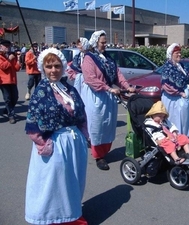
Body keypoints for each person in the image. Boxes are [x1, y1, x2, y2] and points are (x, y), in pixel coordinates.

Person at [24, 47, 89, 225]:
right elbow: (33, 123)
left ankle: (71, 214)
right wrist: (44, 144)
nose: (53, 70)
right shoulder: (41, 92)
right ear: (43, 68)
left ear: (62, 67)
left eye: (57, 66)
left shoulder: (69, 88)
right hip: (54, 143)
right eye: (49, 66)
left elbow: (81, 113)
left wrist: (84, 136)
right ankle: (53, 218)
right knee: (53, 184)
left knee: (73, 181)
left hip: (74, 143)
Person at [81, 30, 135, 170]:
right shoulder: (89, 58)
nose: (105, 45)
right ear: (95, 43)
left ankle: (104, 150)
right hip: (96, 95)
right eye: (102, 42)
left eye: (106, 42)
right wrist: (108, 88)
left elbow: (118, 75)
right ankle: (98, 156)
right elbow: (90, 79)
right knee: (97, 125)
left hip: (108, 95)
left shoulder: (109, 59)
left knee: (108, 125)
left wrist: (127, 87)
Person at [161, 43, 189, 136]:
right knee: (174, 120)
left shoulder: (180, 66)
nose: (179, 54)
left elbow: (187, 79)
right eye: (177, 53)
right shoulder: (168, 68)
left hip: (182, 98)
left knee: (184, 120)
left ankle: (183, 139)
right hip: (172, 100)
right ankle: (174, 140)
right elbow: (166, 86)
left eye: (180, 53)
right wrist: (179, 93)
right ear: (171, 55)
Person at [0, 38, 21, 124]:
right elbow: (3, 67)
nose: (7, 48)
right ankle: (11, 115)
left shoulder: (11, 56)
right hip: (4, 81)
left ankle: (7, 109)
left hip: (12, 80)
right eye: (5, 46)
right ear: (1, 47)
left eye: (8, 46)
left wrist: (18, 59)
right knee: (7, 98)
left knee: (15, 97)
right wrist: (9, 59)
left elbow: (17, 68)